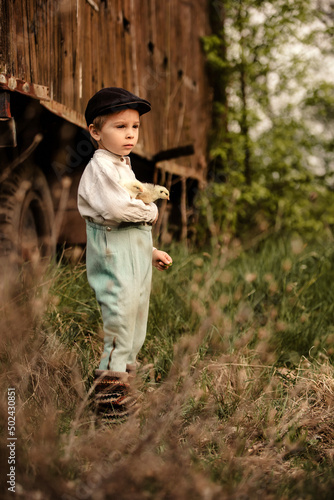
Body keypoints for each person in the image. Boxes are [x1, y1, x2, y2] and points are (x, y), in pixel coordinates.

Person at [77, 87, 172, 418]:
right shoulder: (101, 167)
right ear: (95, 131)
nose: (130, 134)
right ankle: (109, 406)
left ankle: (123, 391)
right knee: (119, 325)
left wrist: (151, 251)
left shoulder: (123, 166)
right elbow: (119, 210)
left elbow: (133, 220)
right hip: (113, 255)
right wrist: (151, 211)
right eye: (120, 126)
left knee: (135, 326)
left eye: (135, 127)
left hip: (133, 255)